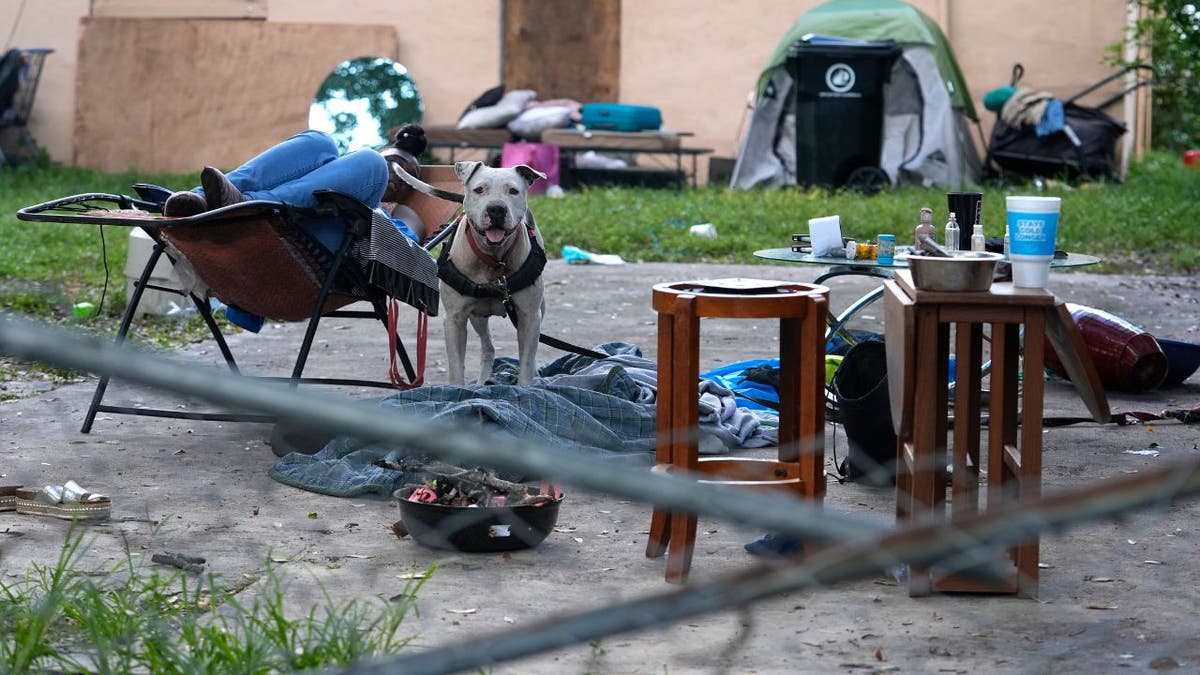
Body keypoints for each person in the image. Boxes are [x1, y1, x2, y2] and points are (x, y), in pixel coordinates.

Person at [163, 124, 430, 248]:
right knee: (319, 140)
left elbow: (404, 246)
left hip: (326, 244)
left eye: (407, 175)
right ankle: (200, 200)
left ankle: (252, 204)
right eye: (392, 163)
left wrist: (392, 212)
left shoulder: (401, 213)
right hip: (287, 219)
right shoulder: (326, 174)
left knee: (370, 161)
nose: (395, 175)